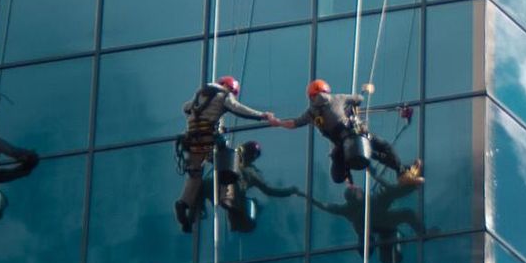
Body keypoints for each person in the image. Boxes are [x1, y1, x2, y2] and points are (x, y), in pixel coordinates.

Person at [177, 75, 280, 232]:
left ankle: (183, 203)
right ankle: (227, 197)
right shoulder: (223, 95)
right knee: (229, 159)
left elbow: (186, 107)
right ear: (228, 87)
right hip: (207, 139)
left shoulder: (200, 94)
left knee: (195, 175)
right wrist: (262, 115)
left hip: (192, 141)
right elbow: (238, 109)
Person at [279, 80, 421, 187]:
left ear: (311, 97)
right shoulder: (337, 98)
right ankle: (402, 173)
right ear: (326, 91)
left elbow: (293, 123)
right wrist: (363, 92)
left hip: (343, 147)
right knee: (385, 147)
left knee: (373, 155)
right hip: (355, 136)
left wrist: (277, 122)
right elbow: (359, 99)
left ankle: (403, 171)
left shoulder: (310, 113)